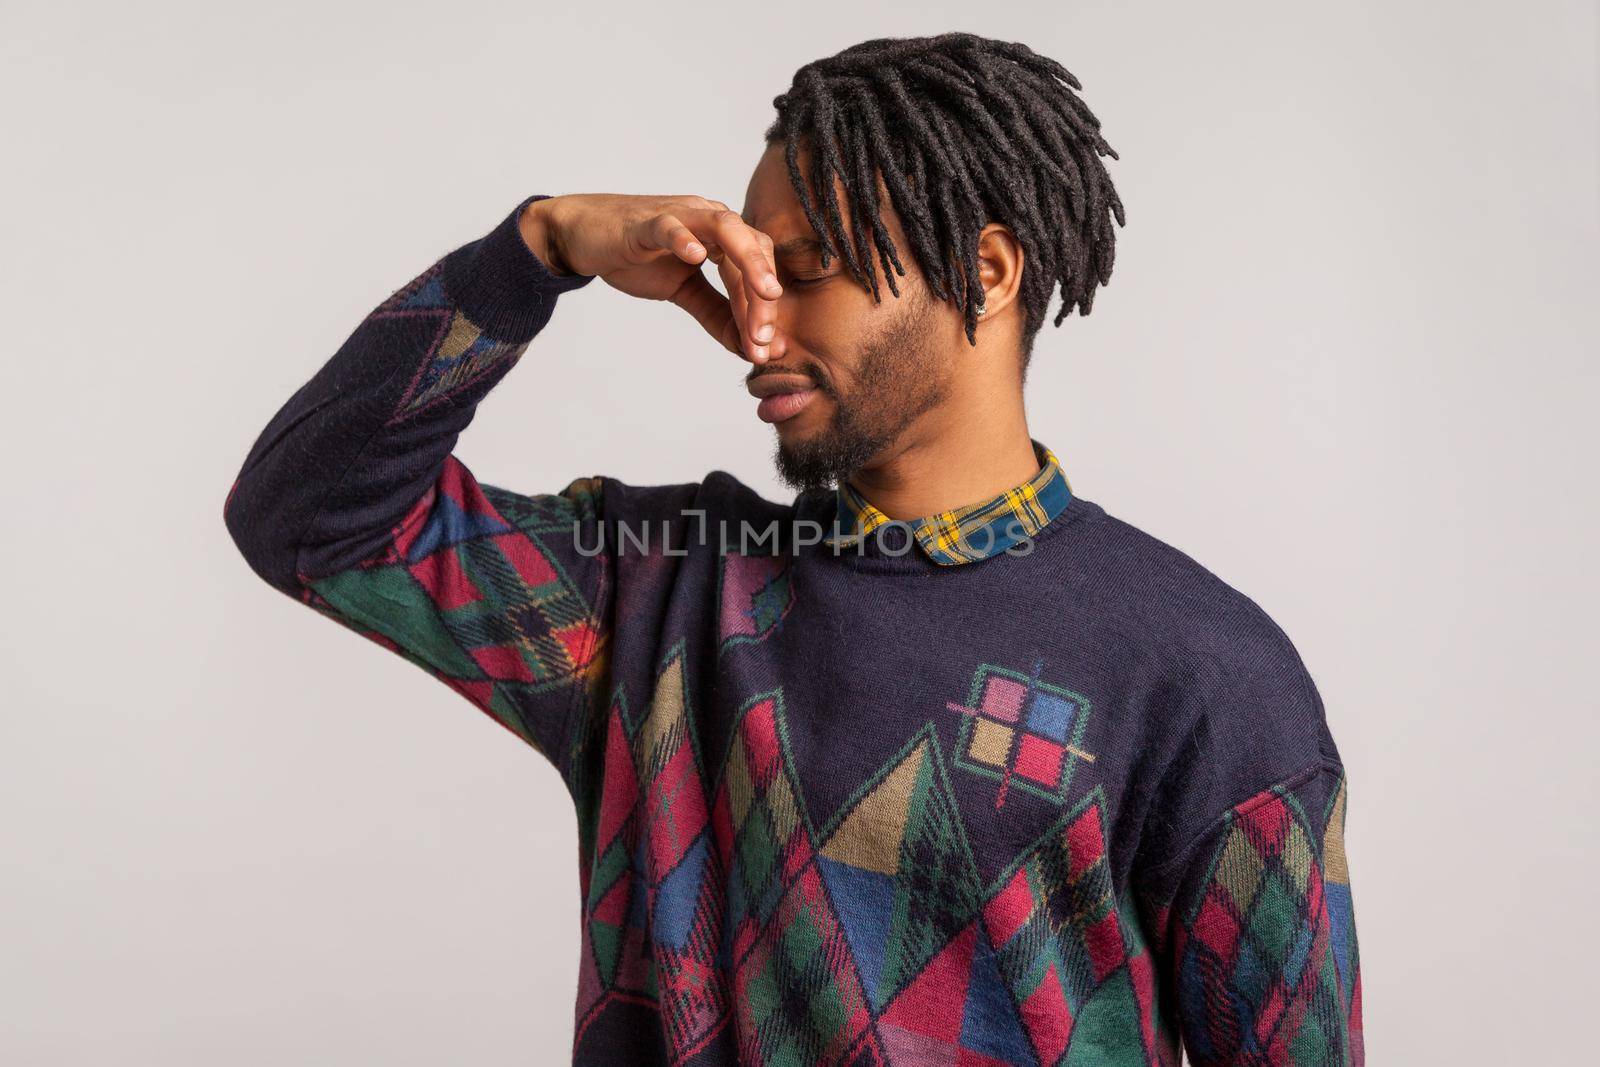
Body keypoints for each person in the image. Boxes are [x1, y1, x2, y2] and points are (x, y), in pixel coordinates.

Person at [224, 31, 1362, 1067]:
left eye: (806, 270)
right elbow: (310, 517)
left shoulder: (1203, 671)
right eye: (744, 271)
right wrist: (537, 249)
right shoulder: (662, 586)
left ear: (990, 270)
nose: (754, 328)